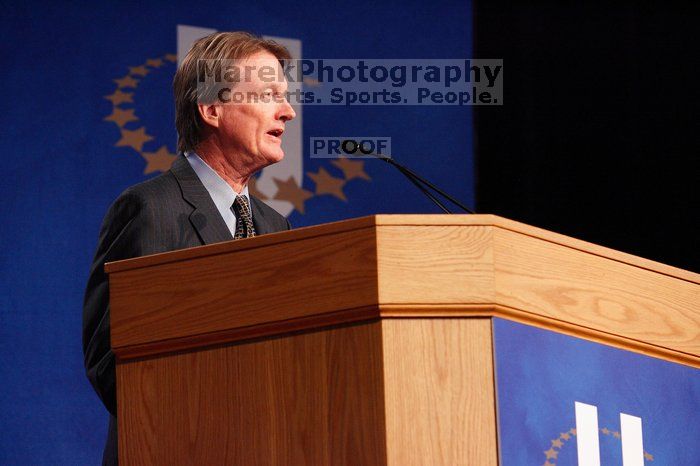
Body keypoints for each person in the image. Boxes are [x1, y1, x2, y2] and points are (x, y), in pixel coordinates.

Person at [82, 31, 296, 466]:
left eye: (286, 97)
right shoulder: (151, 209)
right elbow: (112, 362)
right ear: (212, 108)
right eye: (269, 94)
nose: (288, 111)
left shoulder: (275, 226)